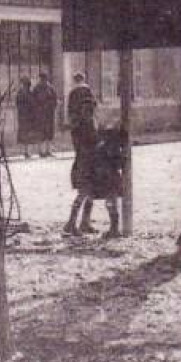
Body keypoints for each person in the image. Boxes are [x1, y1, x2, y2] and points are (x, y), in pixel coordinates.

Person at [63, 73, 99, 236]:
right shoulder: (85, 125)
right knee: (84, 192)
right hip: (85, 162)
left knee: (90, 192)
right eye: (88, 108)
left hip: (87, 161)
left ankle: (84, 222)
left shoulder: (82, 124)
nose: (90, 110)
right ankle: (71, 223)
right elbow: (91, 141)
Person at [89, 111, 127, 239]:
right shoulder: (107, 147)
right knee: (111, 202)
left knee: (111, 202)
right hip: (109, 178)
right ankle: (114, 227)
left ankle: (114, 228)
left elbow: (115, 162)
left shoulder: (107, 147)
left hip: (109, 178)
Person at [29, 72, 58, 158]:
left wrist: (51, 106)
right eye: (42, 79)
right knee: (41, 132)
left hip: (49, 113)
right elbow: (33, 101)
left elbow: (54, 99)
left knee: (49, 132)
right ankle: (41, 151)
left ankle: (48, 150)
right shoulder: (37, 88)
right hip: (40, 114)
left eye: (44, 79)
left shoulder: (50, 88)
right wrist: (37, 109)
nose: (43, 81)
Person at [13, 76, 35, 158]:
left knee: (29, 134)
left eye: (26, 84)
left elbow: (33, 104)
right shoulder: (20, 93)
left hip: (29, 116)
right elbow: (18, 104)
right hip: (23, 116)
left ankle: (28, 151)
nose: (24, 86)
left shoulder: (30, 93)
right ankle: (25, 151)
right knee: (24, 133)